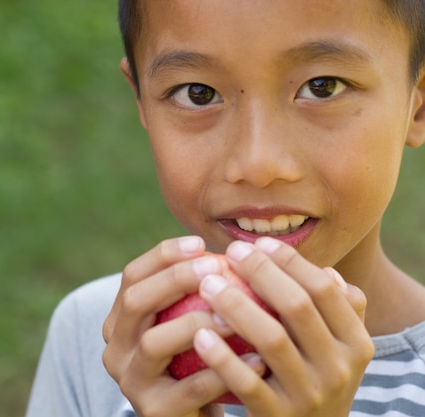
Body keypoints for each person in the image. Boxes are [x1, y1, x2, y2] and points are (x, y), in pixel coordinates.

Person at [25, 0, 425, 415]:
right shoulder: (103, 338)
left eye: (323, 86)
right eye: (198, 94)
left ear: (418, 103)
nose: (257, 166)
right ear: (142, 99)